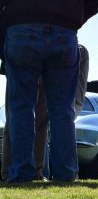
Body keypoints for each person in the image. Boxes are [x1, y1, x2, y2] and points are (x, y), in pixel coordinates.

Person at [0, 0, 98, 183]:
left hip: (22, 32)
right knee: (62, 110)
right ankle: (66, 174)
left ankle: (21, 173)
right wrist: (74, 19)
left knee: (22, 106)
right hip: (65, 35)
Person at [1, 45, 89, 181]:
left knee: (18, 114)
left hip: (20, 46)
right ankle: (37, 172)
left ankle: (19, 172)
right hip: (45, 47)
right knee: (34, 118)